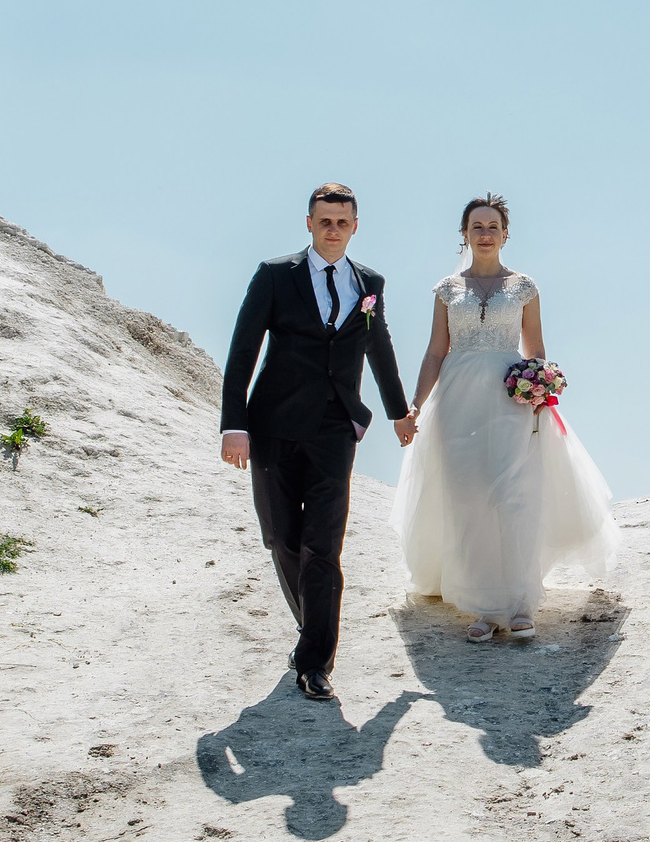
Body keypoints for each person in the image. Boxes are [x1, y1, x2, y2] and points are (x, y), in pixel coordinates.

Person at [220, 183, 417, 702]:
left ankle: (315, 659)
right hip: (273, 425)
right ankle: (314, 625)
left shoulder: (368, 282)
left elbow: (380, 348)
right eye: (324, 221)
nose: (333, 230)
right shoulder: (274, 276)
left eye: (343, 222)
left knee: (323, 546)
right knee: (282, 538)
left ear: (355, 226)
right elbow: (243, 350)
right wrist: (232, 424)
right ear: (309, 224)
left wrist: (399, 412)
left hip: (335, 429)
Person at [392, 194, 619, 642]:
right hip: (457, 399)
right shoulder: (446, 290)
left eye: (492, 226)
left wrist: (540, 387)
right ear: (464, 234)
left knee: (514, 494)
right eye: (476, 226)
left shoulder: (524, 286)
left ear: (505, 234)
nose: (485, 233)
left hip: (508, 396)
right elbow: (437, 351)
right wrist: (416, 404)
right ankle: (481, 605)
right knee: (469, 496)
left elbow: (535, 348)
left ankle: (518, 602)